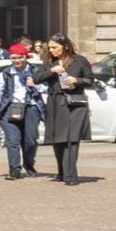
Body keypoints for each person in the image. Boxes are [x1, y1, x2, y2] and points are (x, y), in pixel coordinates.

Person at [39, 34, 92, 186]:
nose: (51, 50)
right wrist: (52, 71)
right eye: (50, 47)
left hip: (75, 104)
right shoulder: (49, 62)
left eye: (55, 47)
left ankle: (71, 176)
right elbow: (36, 78)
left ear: (66, 46)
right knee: (58, 140)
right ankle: (62, 172)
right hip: (55, 103)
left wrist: (77, 80)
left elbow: (90, 80)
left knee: (71, 139)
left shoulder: (80, 61)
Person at [0, 45, 40, 179]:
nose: (17, 61)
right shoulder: (6, 73)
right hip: (11, 107)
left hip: (31, 107)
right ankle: (14, 169)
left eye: (20, 57)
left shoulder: (35, 71)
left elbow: (46, 87)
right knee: (13, 141)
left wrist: (36, 85)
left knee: (30, 141)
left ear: (25, 57)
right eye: (13, 58)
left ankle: (28, 163)